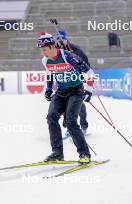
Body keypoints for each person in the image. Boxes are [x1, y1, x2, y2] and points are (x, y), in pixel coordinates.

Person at [37, 32, 94, 163]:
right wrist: (49, 89)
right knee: (51, 117)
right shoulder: (45, 60)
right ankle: (57, 153)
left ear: (52, 46)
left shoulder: (67, 56)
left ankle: (84, 154)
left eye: (44, 49)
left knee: (70, 122)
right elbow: (50, 74)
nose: (43, 52)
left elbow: (90, 72)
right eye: (41, 50)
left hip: (76, 91)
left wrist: (89, 91)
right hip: (61, 92)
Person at [56, 29, 90, 138]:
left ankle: (83, 126)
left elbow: (86, 63)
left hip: (77, 79)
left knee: (79, 104)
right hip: (64, 80)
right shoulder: (57, 50)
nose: (59, 42)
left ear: (66, 39)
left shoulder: (75, 49)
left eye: (61, 39)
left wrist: (84, 74)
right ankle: (69, 128)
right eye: (58, 39)